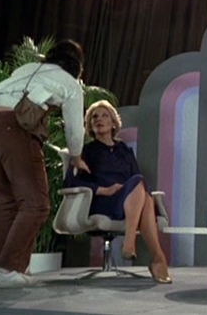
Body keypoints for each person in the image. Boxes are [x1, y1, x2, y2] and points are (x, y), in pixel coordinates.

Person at [0, 39, 89, 289]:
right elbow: (74, 128)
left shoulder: (25, 70)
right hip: (13, 130)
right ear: (77, 65)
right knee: (36, 204)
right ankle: (8, 269)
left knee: (6, 201)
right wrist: (76, 156)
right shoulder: (70, 84)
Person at [65, 100, 172, 284]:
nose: (99, 119)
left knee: (142, 190)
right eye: (94, 117)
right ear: (89, 125)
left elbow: (136, 178)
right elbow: (70, 182)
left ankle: (149, 254)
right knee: (144, 195)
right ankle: (154, 257)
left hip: (127, 203)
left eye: (104, 116)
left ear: (113, 123)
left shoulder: (124, 150)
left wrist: (130, 191)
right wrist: (103, 190)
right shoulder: (85, 151)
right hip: (104, 202)